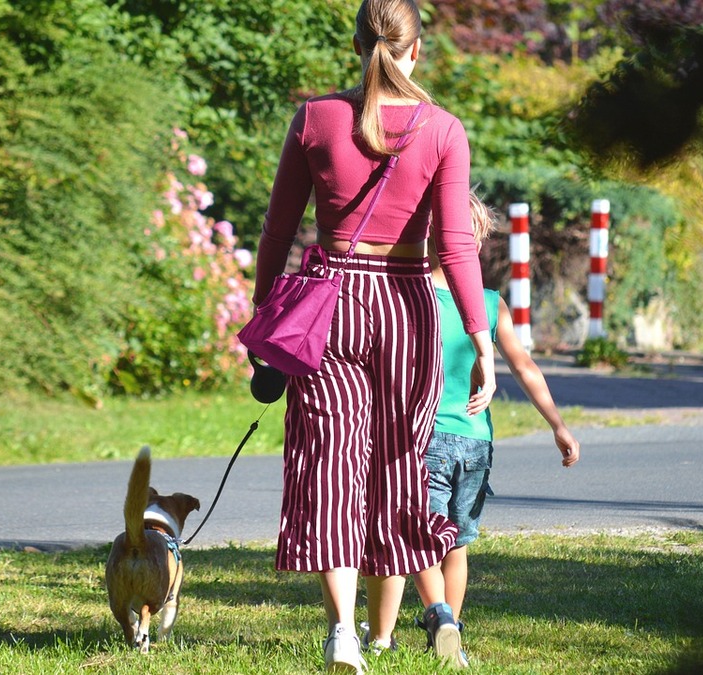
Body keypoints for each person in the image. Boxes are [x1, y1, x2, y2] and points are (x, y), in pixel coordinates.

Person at [250, 0, 496, 671]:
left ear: (357, 45)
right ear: (416, 49)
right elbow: (455, 245)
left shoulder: (316, 118)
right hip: (406, 307)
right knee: (395, 466)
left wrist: (261, 319)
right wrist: (482, 338)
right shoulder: (444, 129)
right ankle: (406, 613)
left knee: (329, 464)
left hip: (329, 304)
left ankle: (342, 632)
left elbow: (277, 231)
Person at [382, 194, 581, 665]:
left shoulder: (406, 296)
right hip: (476, 441)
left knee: (420, 535)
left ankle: (439, 616)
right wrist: (558, 425)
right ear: (478, 242)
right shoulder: (491, 305)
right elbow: (525, 367)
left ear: (425, 236)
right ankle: (454, 636)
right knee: (457, 541)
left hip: (422, 437)